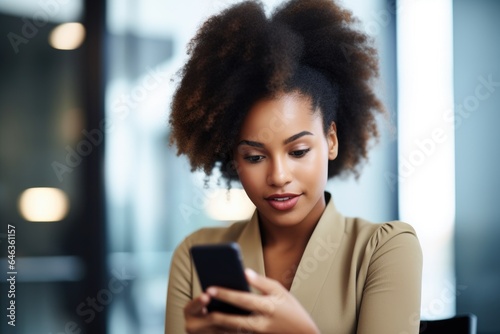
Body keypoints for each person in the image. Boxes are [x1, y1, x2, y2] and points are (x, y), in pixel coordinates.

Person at [165, 0, 423, 333]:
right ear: (233, 159)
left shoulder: (385, 250)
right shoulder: (195, 256)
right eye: (255, 157)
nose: (278, 176)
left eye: (298, 151)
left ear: (331, 140)